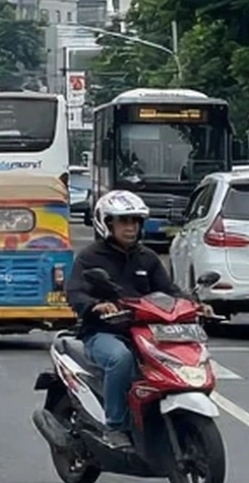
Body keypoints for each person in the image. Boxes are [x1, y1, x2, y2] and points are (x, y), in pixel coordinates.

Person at [64, 189, 212, 450]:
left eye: (135, 221)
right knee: (120, 359)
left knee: (179, 360)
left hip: (149, 332)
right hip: (104, 333)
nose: (130, 227)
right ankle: (115, 427)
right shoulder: (90, 258)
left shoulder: (148, 258)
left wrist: (195, 305)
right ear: (107, 223)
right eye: (123, 221)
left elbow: (169, 292)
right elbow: (74, 292)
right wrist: (96, 306)